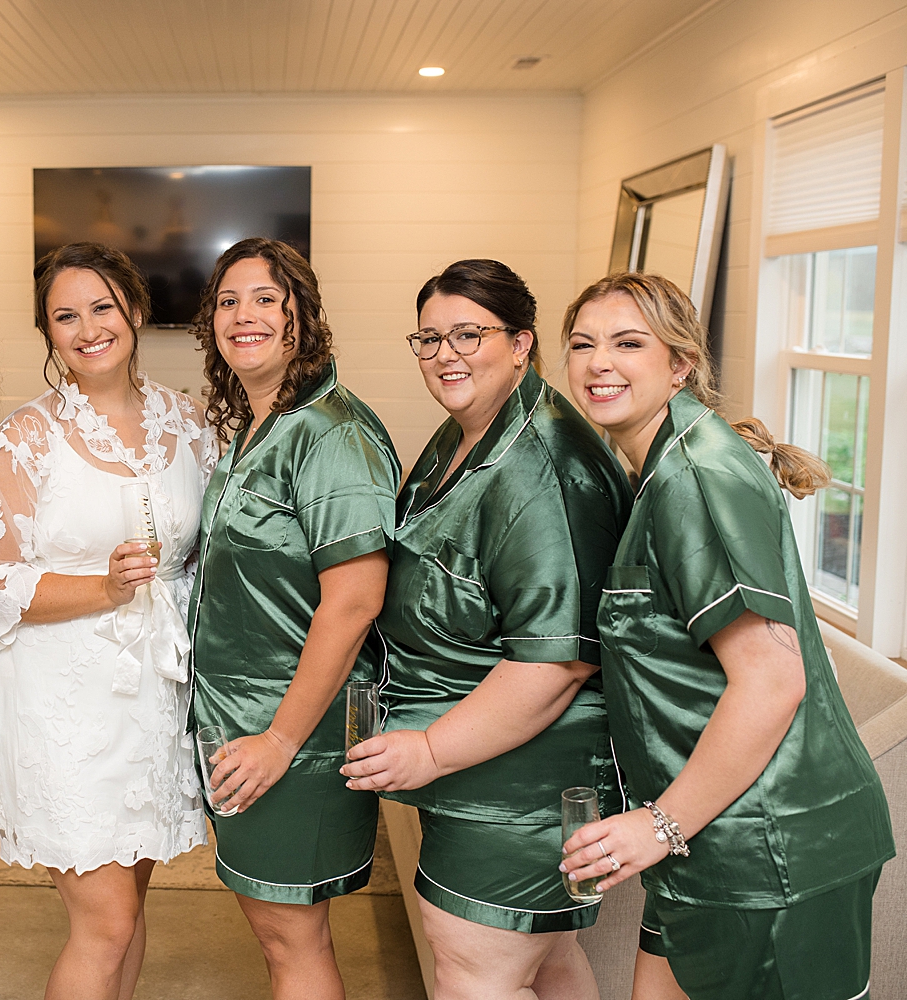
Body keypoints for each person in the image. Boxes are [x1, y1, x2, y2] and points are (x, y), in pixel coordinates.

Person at [558, 272, 894, 1000]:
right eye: (582, 344)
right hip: (714, 836)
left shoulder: (697, 478)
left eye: (627, 343)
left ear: (680, 364)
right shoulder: (659, 464)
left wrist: (659, 826)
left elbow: (773, 679)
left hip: (770, 847)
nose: (597, 363)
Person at [340, 259, 631, 1000]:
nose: (447, 355)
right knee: (552, 962)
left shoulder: (545, 466)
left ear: (522, 342)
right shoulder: (470, 430)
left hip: (518, 784)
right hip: (486, 762)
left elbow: (556, 662)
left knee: (473, 974)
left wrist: (430, 749)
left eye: (469, 334)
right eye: (429, 339)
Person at [0, 243, 211, 1000]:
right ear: (48, 334)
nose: (87, 328)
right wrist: (102, 589)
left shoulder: (193, 423)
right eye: (64, 316)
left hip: (155, 693)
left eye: (102, 307)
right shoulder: (25, 438)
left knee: (129, 909)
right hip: (63, 700)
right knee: (102, 922)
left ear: (135, 311)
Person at [188, 237, 398, 1000]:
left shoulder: (333, 433)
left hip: (292, 732)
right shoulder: (258, 425)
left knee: (291, 939)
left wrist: (280, 740)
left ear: (301, 319)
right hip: (239, 721)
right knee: (280, 934)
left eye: (265, 299)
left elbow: (355, 601)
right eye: (227, 301)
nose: (243, 316)